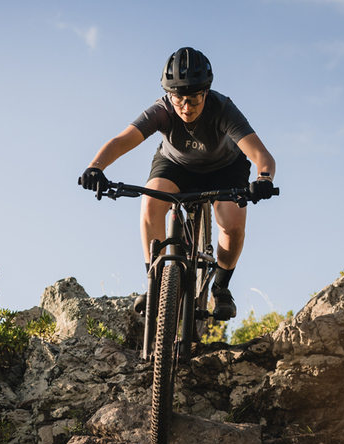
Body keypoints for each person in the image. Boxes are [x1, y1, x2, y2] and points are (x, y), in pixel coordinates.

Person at [80, 47, 276, 319]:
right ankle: (155, 281)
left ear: (205, 92)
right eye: (178, 99)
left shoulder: (223, 109)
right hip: (176, 165)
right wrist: (95, 168)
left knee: (231, 222)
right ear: (169, 95)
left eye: (194, 98)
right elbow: (122, 141)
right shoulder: (162, 111)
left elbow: (261, 154)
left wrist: (263, 178)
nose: (186, 107)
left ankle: (221, 287)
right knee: (150, 205)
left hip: (225, 167)